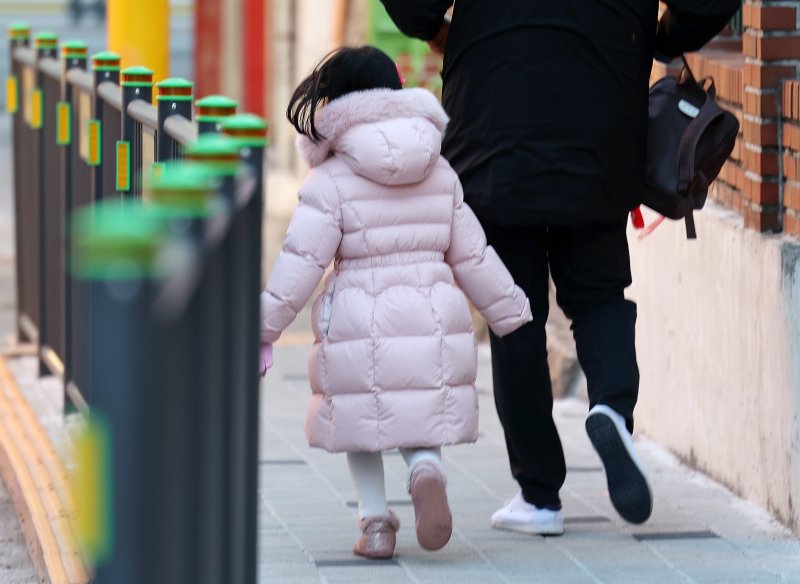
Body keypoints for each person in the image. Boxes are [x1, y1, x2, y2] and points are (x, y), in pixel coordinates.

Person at [379, 0, 742, 534]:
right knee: (599, 293)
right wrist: (663, 37)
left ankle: (540, 496)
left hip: (493, 121)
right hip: (601, 122)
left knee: (515, 312)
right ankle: (612, 410)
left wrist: (436, 30)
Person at [258, 46, 532, 559]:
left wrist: (264, 325)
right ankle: (425, 470)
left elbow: (301, 264)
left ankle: (376, 523)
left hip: (360, 321)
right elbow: (473, 254)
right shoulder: (438, 170)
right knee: (417, 412)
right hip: (433, 316)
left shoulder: (331, 179)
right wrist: (509, 309)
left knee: (363, 423)